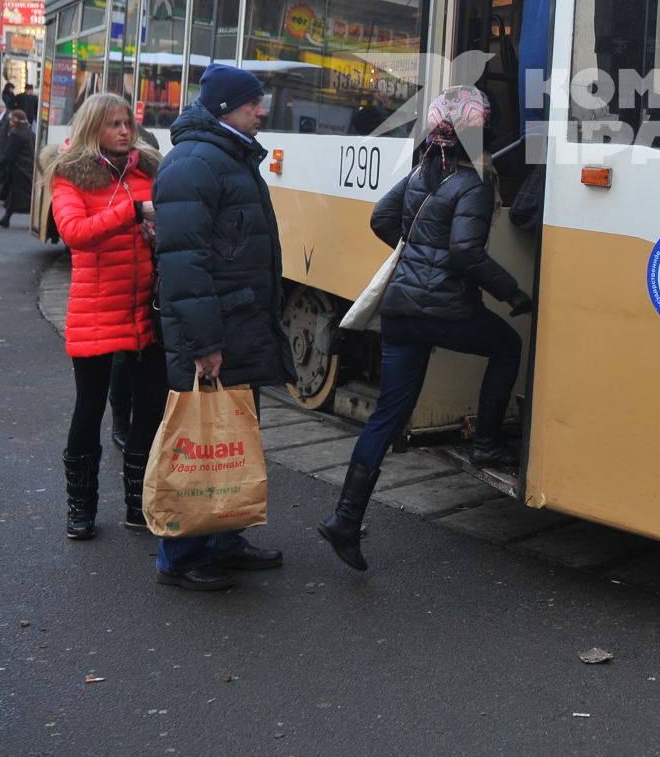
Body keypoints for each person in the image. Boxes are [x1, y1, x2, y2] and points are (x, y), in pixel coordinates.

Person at [318, 85, 532, 573]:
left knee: (388, 415)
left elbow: (381, 218)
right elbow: (465, 253)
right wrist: (513, 293)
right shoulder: (475, 183)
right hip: (446, 311)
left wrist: (415, 255)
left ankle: (344, 520)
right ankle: (486, 444)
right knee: (507, 346)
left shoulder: (421, 171)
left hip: (402, 311)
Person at [152, 63, 294, 591]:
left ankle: (226, 537)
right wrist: (204, 344)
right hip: (215, 333)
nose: (263, 110)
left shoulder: (227, 156)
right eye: (253, 102)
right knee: (198, 441)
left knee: (231, 437)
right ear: (223, 110)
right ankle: (181, 555)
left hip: (237, 322)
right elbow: (184, 268)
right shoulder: (194, 164)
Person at [48, 93, 168, 540]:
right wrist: (132, 212)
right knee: (89, 409)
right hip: (96, 311)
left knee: (149, 411)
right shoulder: (71, 177)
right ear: (93, 128)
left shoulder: (150, 171)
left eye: (127, 123)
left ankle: (139, 505)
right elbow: (75, 234)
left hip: (146, 311)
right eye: (114, 123)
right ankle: (80, 507)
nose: (124, 131)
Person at [0, 110, 36, 228]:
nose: (10, 122)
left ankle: (34, 219)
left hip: (19, 169)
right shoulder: (30, 133)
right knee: (15, 194)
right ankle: (6, 218)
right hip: (28, 167)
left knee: (24, 195)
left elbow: (9, 153)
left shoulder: (15, 133)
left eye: (12, 120)